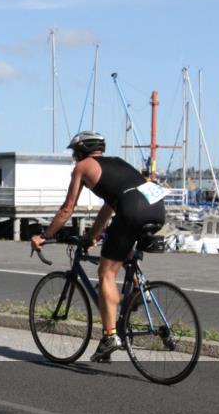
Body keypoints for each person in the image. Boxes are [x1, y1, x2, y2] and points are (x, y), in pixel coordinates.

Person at [29, 131, 166, 362]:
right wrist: (92, 236)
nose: (74, 157)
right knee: (123, 252)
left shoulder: (83, 167)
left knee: (106, 272)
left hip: (132, 208)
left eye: (74, 153)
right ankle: (140, 290)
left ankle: (110, 337)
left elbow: (67, 208)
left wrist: (45, 235)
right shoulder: (118, 163)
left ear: (81, 150)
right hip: (156, 206)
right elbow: (109, 208)